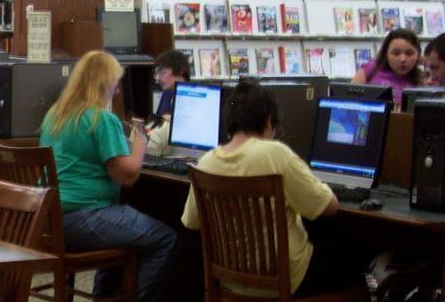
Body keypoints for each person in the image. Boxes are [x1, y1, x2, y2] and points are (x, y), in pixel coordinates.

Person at [181, 81, 366, 297]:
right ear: (269, 120)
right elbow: (329, 207)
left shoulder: (206, 162)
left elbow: (191, 222)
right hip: (286, 280)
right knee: (357, 255)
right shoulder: (275, 153)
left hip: (228, 281)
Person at [39, 50, 179, 302]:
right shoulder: (101, 118)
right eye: (115, 83)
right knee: (165, 239)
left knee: (121, 227)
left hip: (51, 218)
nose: (117, 90)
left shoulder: (55, 114)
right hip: (84, 216)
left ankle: (103, 297)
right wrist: (141, 141)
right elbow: (127, 175)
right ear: (105, 82)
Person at [352, 28, 421, 108]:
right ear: (386, 54)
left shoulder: (421, 80)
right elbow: (349, 94)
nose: (403, 59)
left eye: (409, 54)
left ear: (418, 56)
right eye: (396, 53)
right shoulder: (373, 67)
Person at [153, 49, 191, 117]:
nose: (157, 79)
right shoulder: (167, 92)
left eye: (162, 72)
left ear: (180, 72)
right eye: (156, 73)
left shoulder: (193, 97)